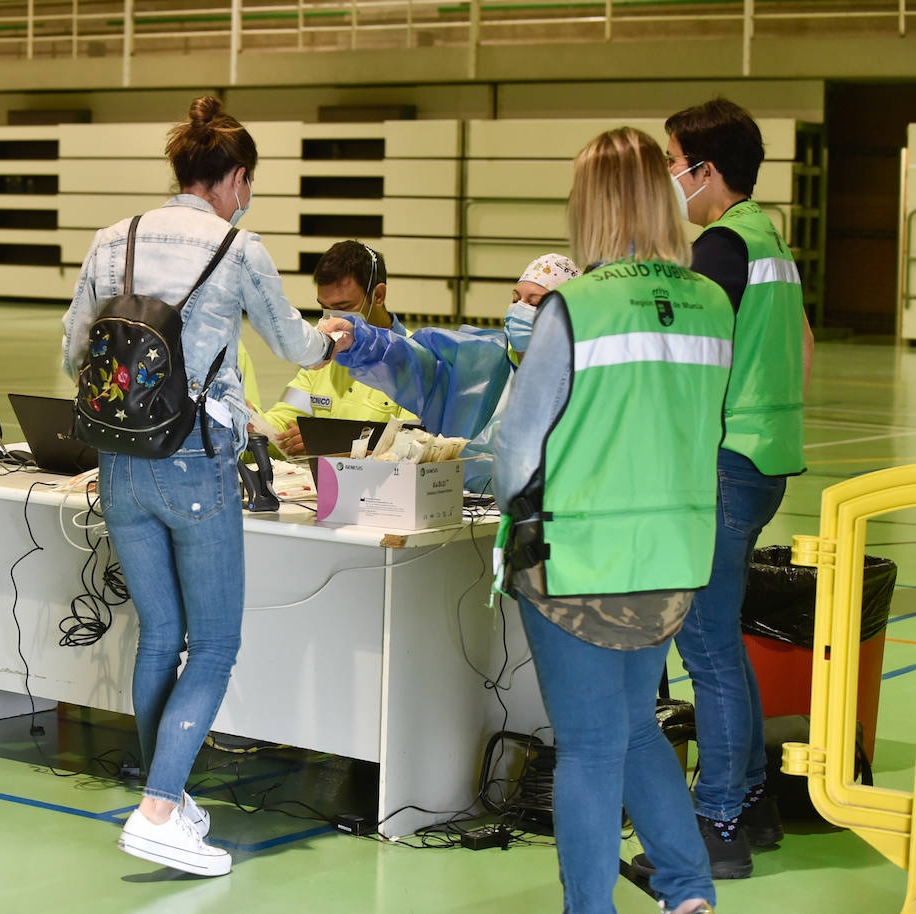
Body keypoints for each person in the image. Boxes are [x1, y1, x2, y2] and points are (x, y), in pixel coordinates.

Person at [61, 96, 331, 877]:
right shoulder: (240, 248)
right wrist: (332, 339)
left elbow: (74, 347)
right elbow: (293, 341)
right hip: (197, 465)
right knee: (213, 644)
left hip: (119, 465)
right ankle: (156, 810)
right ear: (234, 177)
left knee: (159, 634)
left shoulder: (113, 238)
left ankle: (169, 801)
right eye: (249, 184)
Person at [493, 127, 732, 914]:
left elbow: (518, 448)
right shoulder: (710, 303)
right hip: (672, 562)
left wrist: (514, 540)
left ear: (590, 203)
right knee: (633, 730)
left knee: (592, 750)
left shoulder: (577, 307)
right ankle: (689, 891)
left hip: (579, 564)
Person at [635, 97, 813, 879]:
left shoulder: (720, 248)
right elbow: (799, 346)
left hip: (723, 461)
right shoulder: (771, 238)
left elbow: (683, 364)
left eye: (673, 162)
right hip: (768, 456)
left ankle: (719, 826)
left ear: (704, 170)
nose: (669, 176)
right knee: (722, 648)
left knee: (705, 651)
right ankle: (753, 805)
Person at [320, 253, 579, 491]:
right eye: (515, 299)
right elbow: (416, 362)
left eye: (534, 302)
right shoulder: (482, 359)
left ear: (565, 313)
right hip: (468, 506)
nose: (519, 309)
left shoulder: (582, 379)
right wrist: (360, 338)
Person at [255, 241, 414, 456]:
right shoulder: (322, 357)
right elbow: (283, 423)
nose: (332, 320)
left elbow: (417, 446)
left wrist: (332, 445)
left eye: (344, 308)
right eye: (325, 308)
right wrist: (251, 423)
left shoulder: (413, 359)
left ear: (378, 296)